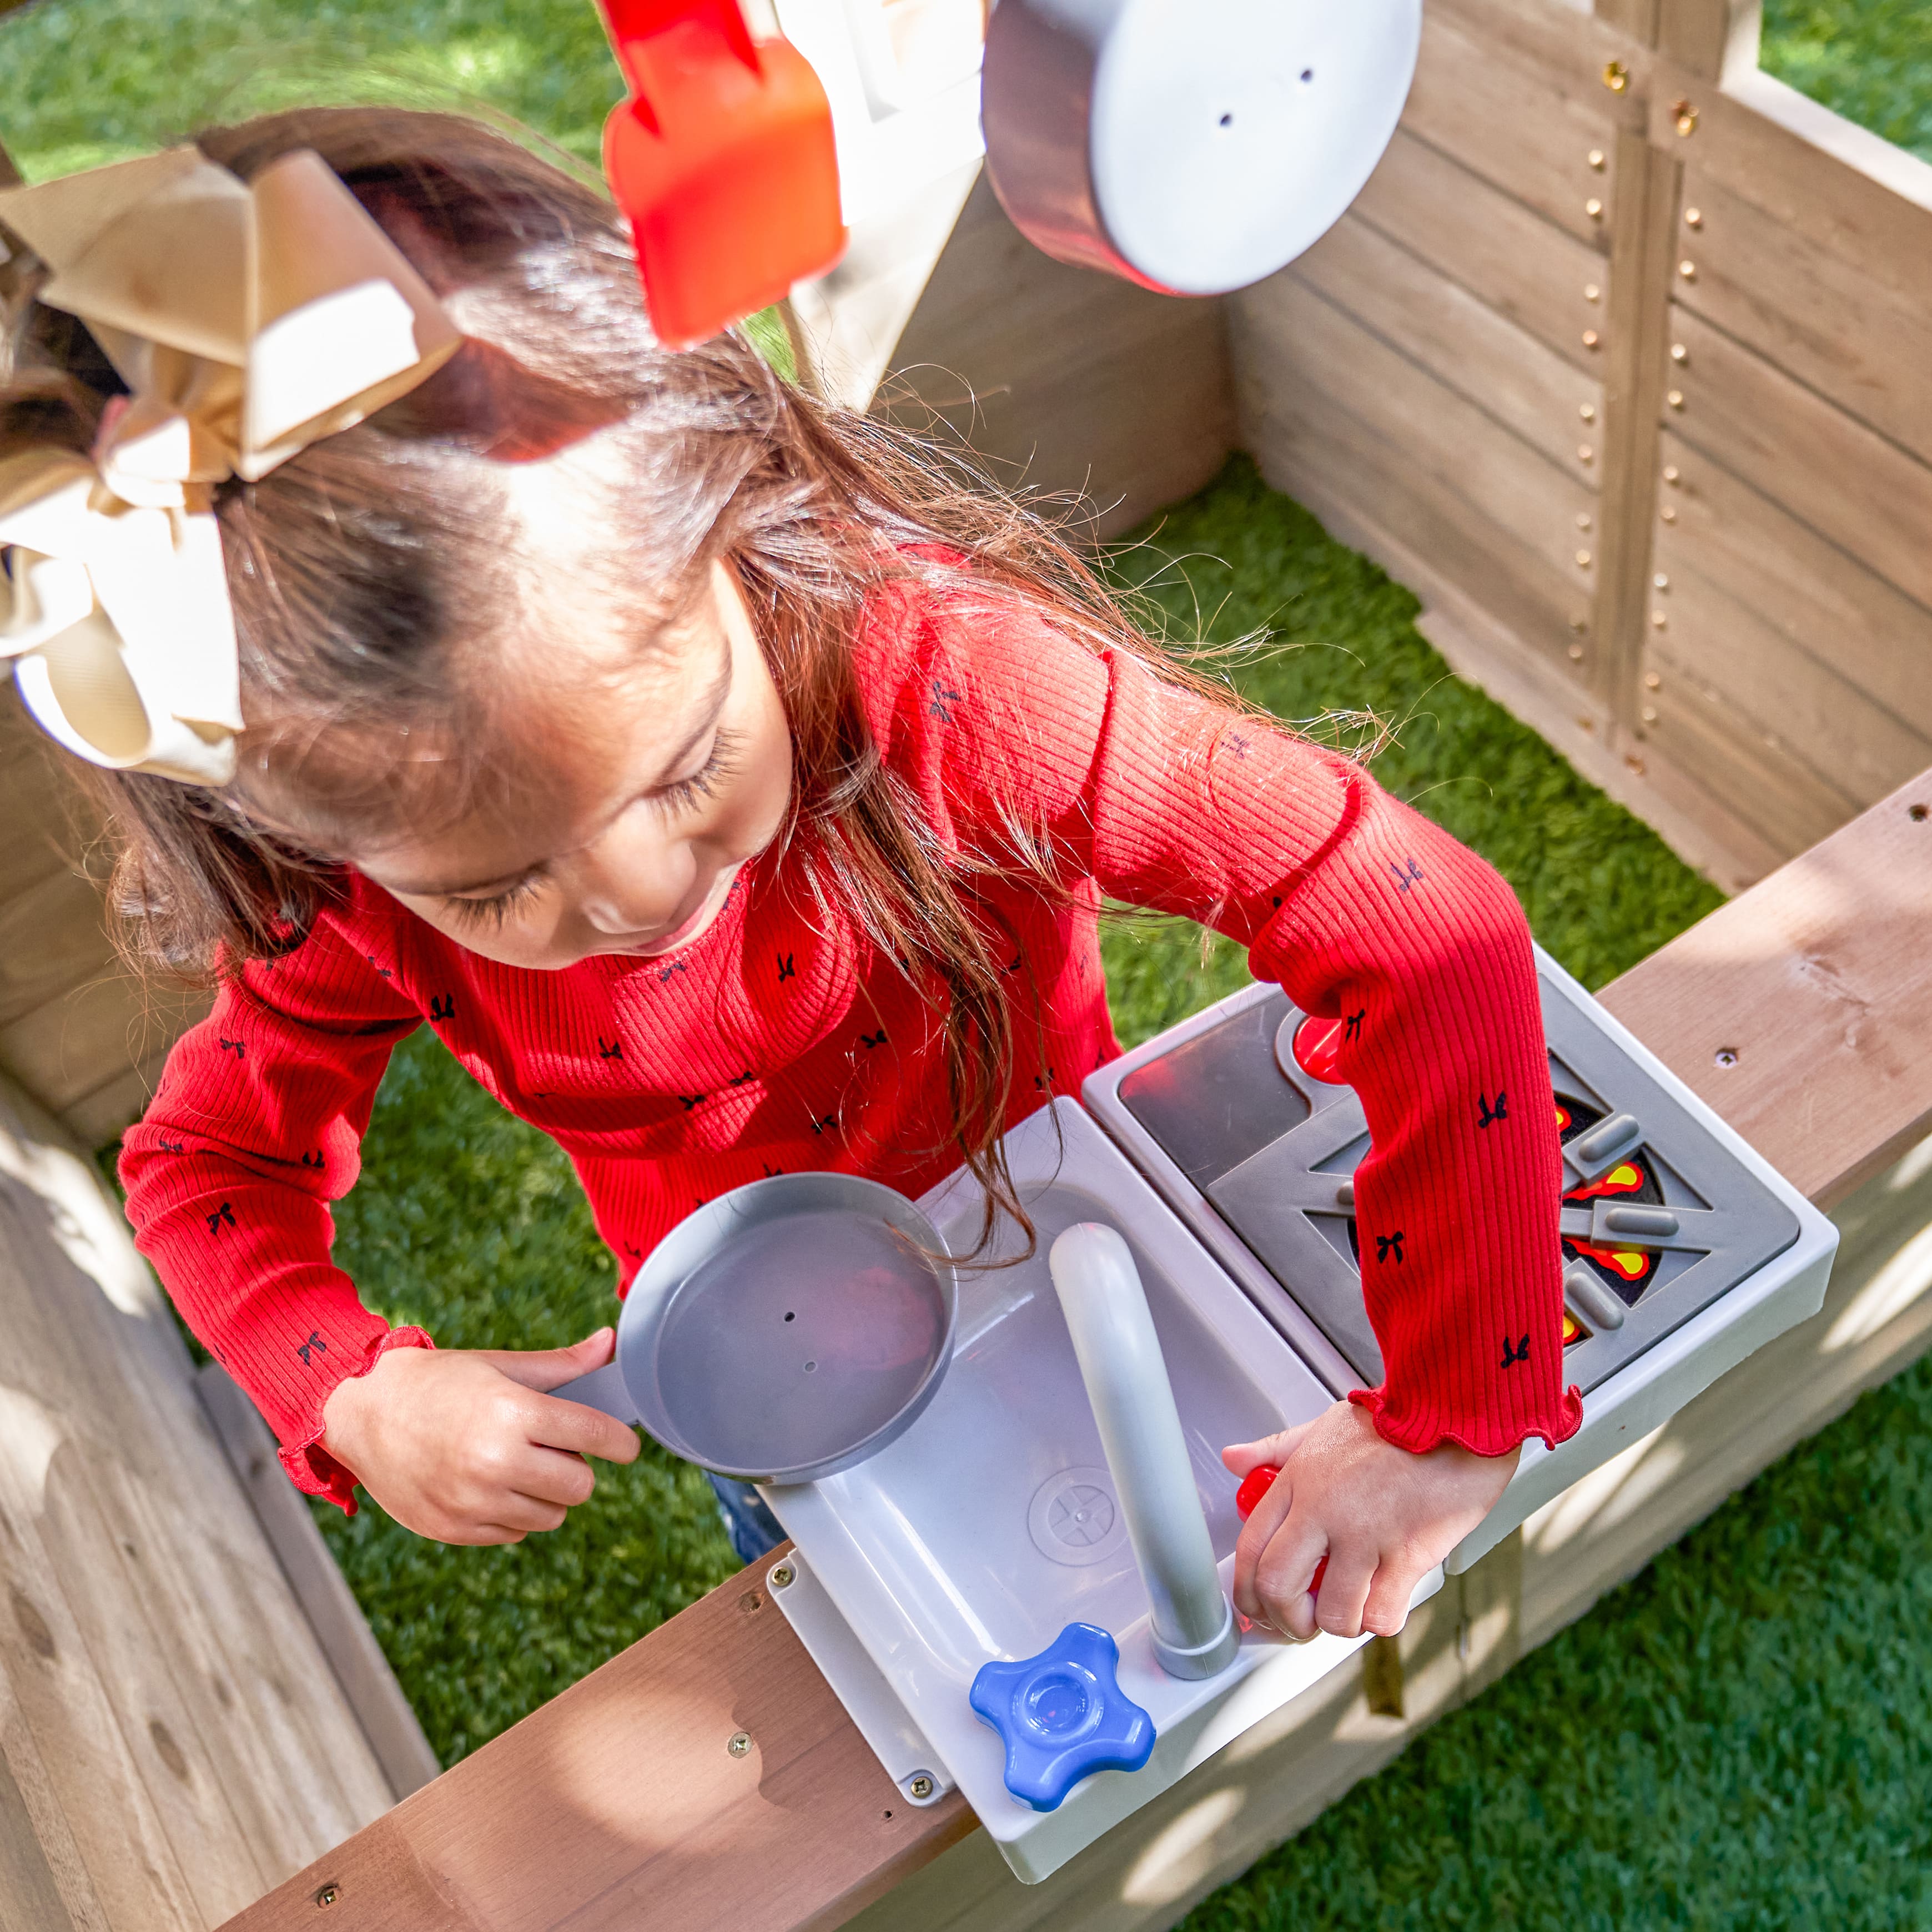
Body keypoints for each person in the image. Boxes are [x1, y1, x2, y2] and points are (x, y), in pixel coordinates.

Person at [0, 107, 1579, 1644]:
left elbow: (1418, 926)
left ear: (744, 511)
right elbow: (206, 1171)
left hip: (1081, 1214)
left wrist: (1452, 1422)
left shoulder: (936, 680)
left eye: (688, 766)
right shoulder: (344, 896)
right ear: (311, 838)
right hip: (772, 1377)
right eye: (492, 889)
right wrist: (355, 1386)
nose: (631, 896)